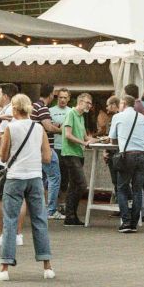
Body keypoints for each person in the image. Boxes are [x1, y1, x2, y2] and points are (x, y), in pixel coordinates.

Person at [0, 93, 54, 280]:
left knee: (10, 221)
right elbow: (47, 157)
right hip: (35, 177)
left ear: (13, 108)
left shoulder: (10, 127)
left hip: (15, 177)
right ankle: (47, 266)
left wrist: (1, 143)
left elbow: (2, 157)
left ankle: (4, 268)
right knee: (39, 220)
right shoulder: (39, 128)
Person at [108, 91, 144, 233]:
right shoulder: (142, 118)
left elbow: (112, 139)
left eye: (120, 103)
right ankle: (134, 223)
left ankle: (125, 222)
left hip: (127, 156)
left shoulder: (117, 117)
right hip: (143, 155)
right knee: (138, 189)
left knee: (121, 188)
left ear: (124, 103)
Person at [58, 92, 90, 225]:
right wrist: (84, 143)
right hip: (70, 153)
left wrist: (97, 140)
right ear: (80, 102)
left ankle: (70, 216)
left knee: (74, 185)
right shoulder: (71, 113)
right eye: (87, 102)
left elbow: (85, 137)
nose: (90, 105)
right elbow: (68, 135)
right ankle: (69, 213)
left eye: (90, 103)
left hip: (78, 153)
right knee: (81, 185)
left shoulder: (81, 117)